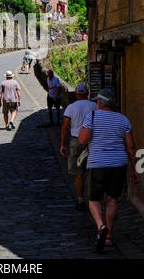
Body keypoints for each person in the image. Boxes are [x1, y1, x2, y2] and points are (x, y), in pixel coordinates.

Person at [79, 88, 138, 253]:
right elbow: (131, 147)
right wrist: (134, 169)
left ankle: (101, 226)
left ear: (99, 102)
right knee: (112, 200)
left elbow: (83, 139)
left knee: (93, 199)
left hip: (97, 163)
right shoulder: (123, 120)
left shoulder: (91, 116)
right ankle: (110, 237)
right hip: (118, 164)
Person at [60, 83, 96, 211]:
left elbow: (65, 126)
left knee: (78, 173)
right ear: (87, 93)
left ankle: (80, 199)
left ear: (76, 94)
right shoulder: (94, 106)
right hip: (92, 141)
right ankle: (93, 199)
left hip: (76, 142)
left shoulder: (71, 107)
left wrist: (62, 144)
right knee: (92, 171)